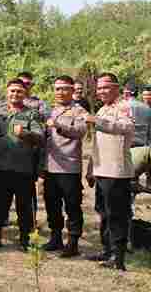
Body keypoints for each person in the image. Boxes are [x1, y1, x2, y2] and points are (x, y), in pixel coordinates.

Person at [85, 72, 135, 271]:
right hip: (101, 169)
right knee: (103, 212)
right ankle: (107, 250)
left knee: (116, 214)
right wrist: (90, 168)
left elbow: (127, 127)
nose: (101, 91)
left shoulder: (124, 107)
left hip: (116, 171)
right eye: (98, 88)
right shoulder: (103, 109)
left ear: (116, 88)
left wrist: (98, 122)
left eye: (106, 87)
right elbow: (97, 143)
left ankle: (119, 257)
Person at [0, 79, 44, 251]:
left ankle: (24, 240)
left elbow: (40, 137)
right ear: (7, 91)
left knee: (24, 207)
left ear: (25, 93)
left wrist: (25, 133)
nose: (15, 94)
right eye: (12, 91)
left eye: (19, 91)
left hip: (23, 168)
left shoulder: (32, 114)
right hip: (0, 167)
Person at [41, 75, 88, 257]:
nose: (60, 92)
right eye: (57, 89)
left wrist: (59, 126)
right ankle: (55, 238)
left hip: (69, 167)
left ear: (72, 90)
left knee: (72, 205)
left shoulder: (79, 111)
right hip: (50, 166)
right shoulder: (50, 111)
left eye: (64, 88)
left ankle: (73, 242)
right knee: (52, 204)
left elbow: (80, 132)